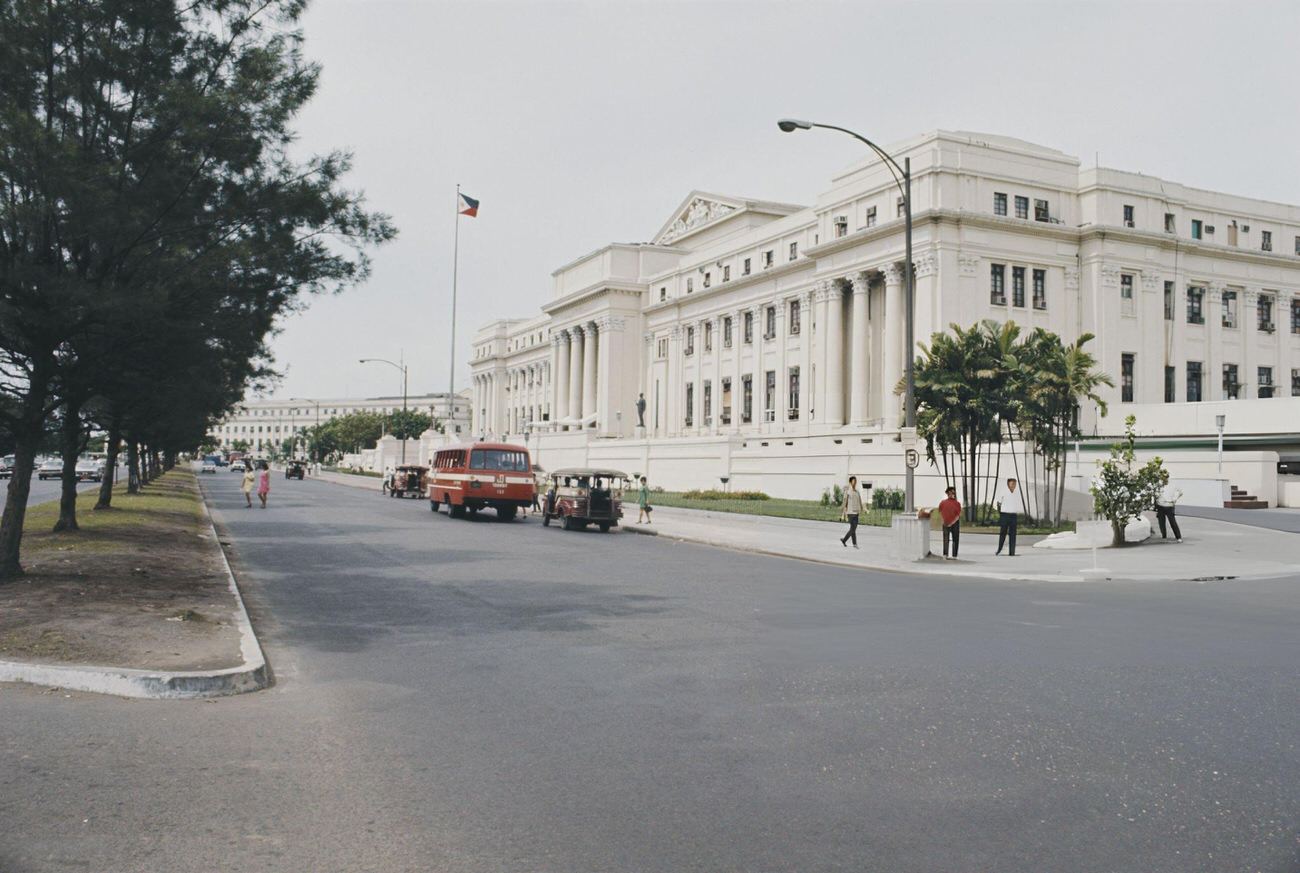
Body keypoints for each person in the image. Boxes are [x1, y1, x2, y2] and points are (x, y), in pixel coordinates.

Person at [994, 477, 1023, 556]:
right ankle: (999, 549)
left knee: (1013, 534)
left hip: (1013, 514)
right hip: (1005, 514)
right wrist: (1000, 512)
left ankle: (1012, 552)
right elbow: (998, 503)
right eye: (1012, 483)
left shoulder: (1017, 492)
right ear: (1008, 484)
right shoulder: (1003, 492)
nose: (1013, 485)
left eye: (1015, 483)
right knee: (1003, 532)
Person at [938, 486, 962, 560]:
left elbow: (940, 511)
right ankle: (953, 555)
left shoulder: (943, 503)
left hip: (947, 522)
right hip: (953, 523)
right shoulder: (957, 504)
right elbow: (958, 516)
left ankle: (946, 554)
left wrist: (945, 520)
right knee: (955, 539)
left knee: (946, 539)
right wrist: (951, 522)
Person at [840, 476, 862, 548]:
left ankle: (847, 541)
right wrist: (843, 513)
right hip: (850, 512)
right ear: (850, 482)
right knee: (853, 529)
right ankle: (851, 543)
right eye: (853, 481)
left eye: (855, 481)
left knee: (853, 529)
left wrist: (863, 509)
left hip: (856, 513)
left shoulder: (857, 491)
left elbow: (860, 502)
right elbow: (844, 503)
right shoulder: (848, 491)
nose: (854, 483)